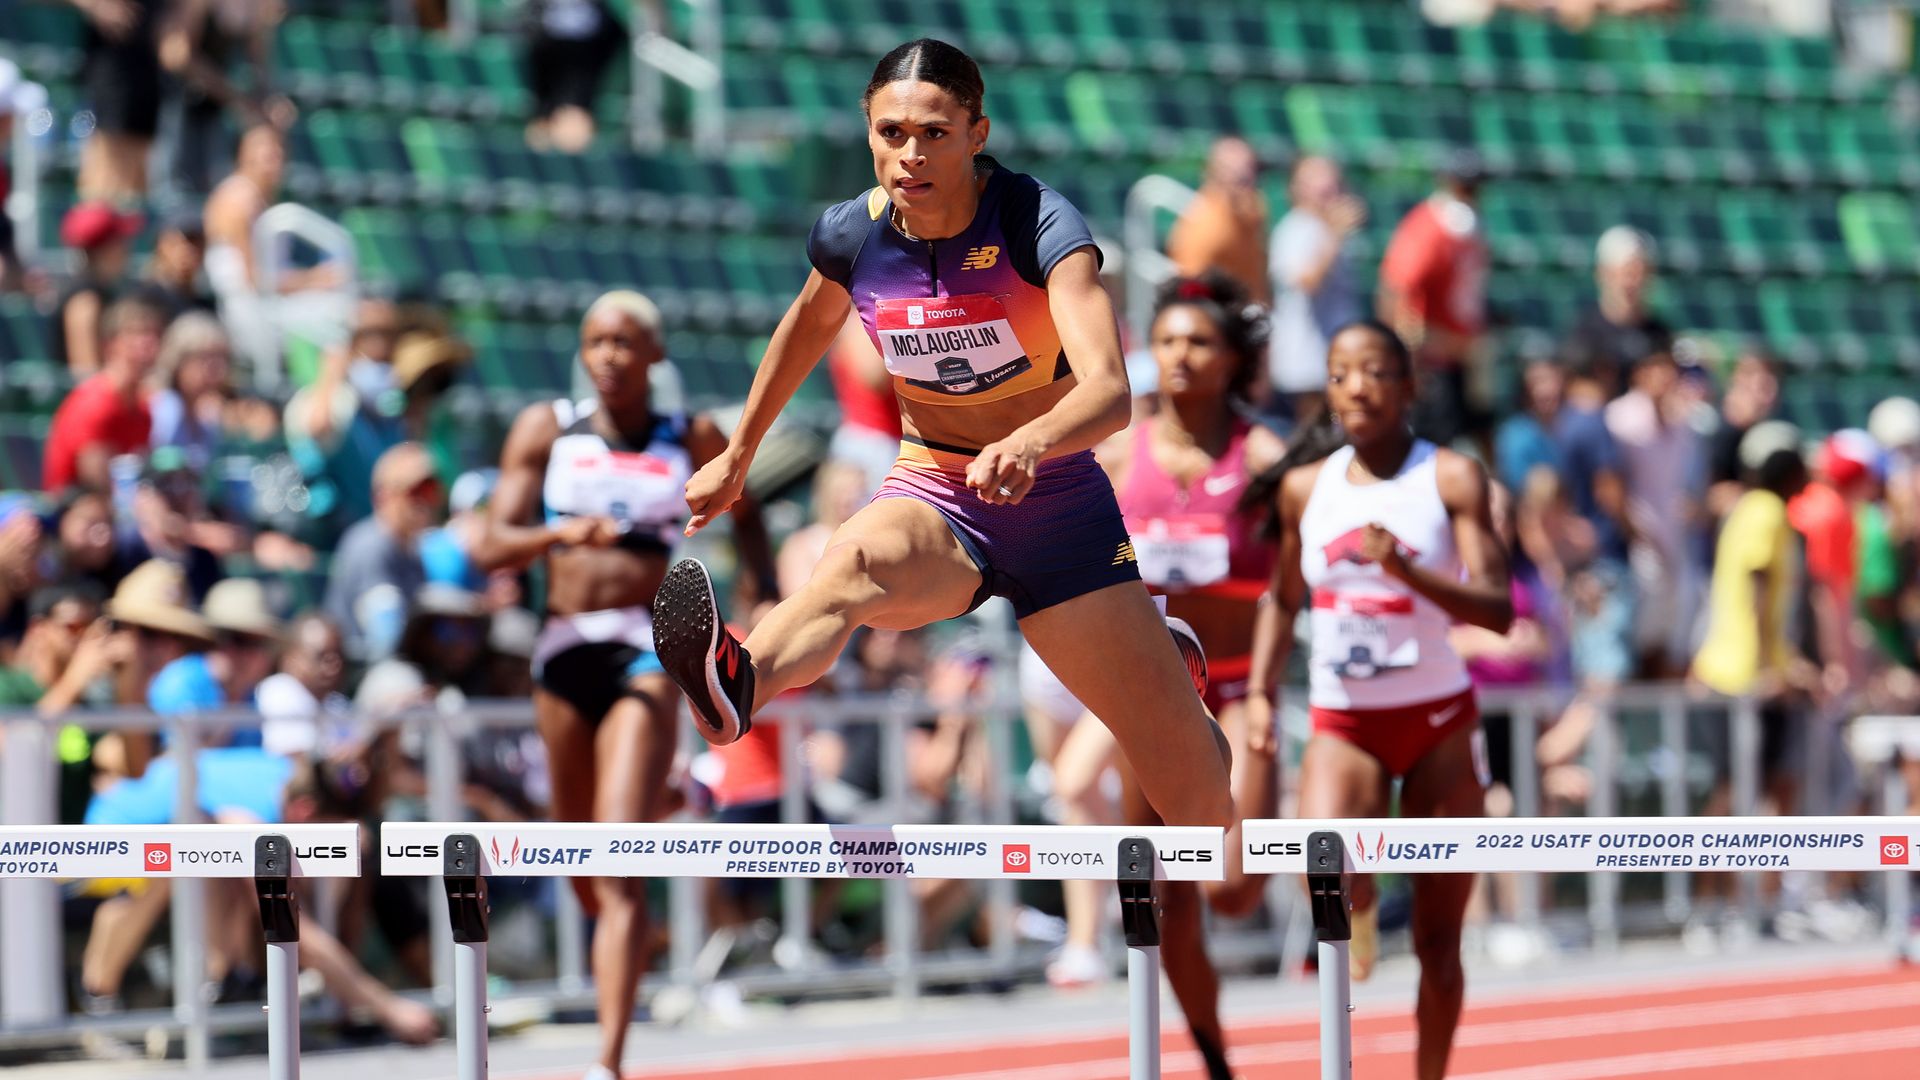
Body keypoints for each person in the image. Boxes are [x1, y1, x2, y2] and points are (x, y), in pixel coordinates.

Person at [648, 42, 1234, 846]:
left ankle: (1174, 676)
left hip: (1058, 512)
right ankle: (735, 685)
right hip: (936, 491)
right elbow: (806, 327)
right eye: (891, 133)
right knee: (848, 565)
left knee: (1198, 811)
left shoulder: (1039, 224)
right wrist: (739, 454)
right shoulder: (853, 236)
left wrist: (1030, 442)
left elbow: (1109, 391)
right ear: (868, 133)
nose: (910, 154)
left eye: (934, 133)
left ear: (976, 132)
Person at [475, 290, 772, 1080]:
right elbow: (488, 544)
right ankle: (678, 800)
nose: (607, 354)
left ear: (655, 355)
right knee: (582, 864)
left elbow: (747, 513)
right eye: (595, 341)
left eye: (623, 341)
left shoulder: (692, 436)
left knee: (614, 858)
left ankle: (607, 1061)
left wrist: (764, 593)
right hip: (565, 651)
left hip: (647, 653)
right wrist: (557, 532)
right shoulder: (550, 429)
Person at [1245, 320, 1512, 1080]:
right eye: (1339, 373)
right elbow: (1282, 597)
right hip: (1346, 721)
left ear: (1409, 387)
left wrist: (1408, 573)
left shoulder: (1452, 477)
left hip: (1438, 723)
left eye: (1373, 371)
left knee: (1438, 941)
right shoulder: (1307, 487)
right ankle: (1360, 916)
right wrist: (1263, 693)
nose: (1356, 386)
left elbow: (1497, 610)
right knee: (1326, 876)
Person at [1047, 273, 1280, 1076]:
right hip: (1151, 693)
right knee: (1165, 896)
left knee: (1232, 892)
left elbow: (1304, 576)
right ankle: (1215, 1062)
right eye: (1170, 340)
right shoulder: (1117, 452)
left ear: (1232, 358)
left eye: (1200, 342)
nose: (1181, 355)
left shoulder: (1269, 460)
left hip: (1243, 692)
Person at [1377, 156, 1490, 448]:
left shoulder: (1471, 228)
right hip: (1434, 360)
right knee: (1434, 445)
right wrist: (1410, 356)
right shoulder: (1428, 228)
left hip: (1462, 355)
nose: (1468, 195)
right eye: (1462, 187)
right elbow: (1398, 289)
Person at [1267, 155, 1365, 425]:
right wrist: (1334, 236)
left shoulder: (1326, 228)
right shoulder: (1294, 230)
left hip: (1335, 356)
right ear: (1297, 188)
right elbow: (1308, 282)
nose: (1329, 186)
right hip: (1307, 362)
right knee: (1314, 440)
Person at [322, 442, 440, 665]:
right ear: (383, 496)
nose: (424, 502)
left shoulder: (411, 547)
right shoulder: (372, 545)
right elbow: (385, 641)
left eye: (430, 491)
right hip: (357, 673)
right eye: (415, 492)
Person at [44, 297, 165, 493]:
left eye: (154, 334)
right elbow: (99, 487)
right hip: (80, 515)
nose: (148, 342)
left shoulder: (143, 409)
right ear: (110, 344)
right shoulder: (95, 404)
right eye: (137, 333)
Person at [1564, 226, 1673, 400]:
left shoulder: (1659, 335)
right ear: (1603, 274)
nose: (1632, 282)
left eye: (1640, 273)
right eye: (1626, 273)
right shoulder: (1585, 333)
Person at [1166, 136, 1271, 304]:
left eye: (1250, 169)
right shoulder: (1200, 225)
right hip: (1220, 316)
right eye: (1233, 172)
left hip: (1253, 311)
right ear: (1212, 173)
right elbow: (1191, 287)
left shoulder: (1254, 209)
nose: (1245, 177)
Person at [53, 201, 145, 375]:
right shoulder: (85, 301)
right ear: (104, 249)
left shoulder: (102, 290)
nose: (127, 248)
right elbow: (86, 372)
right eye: (120, 240)